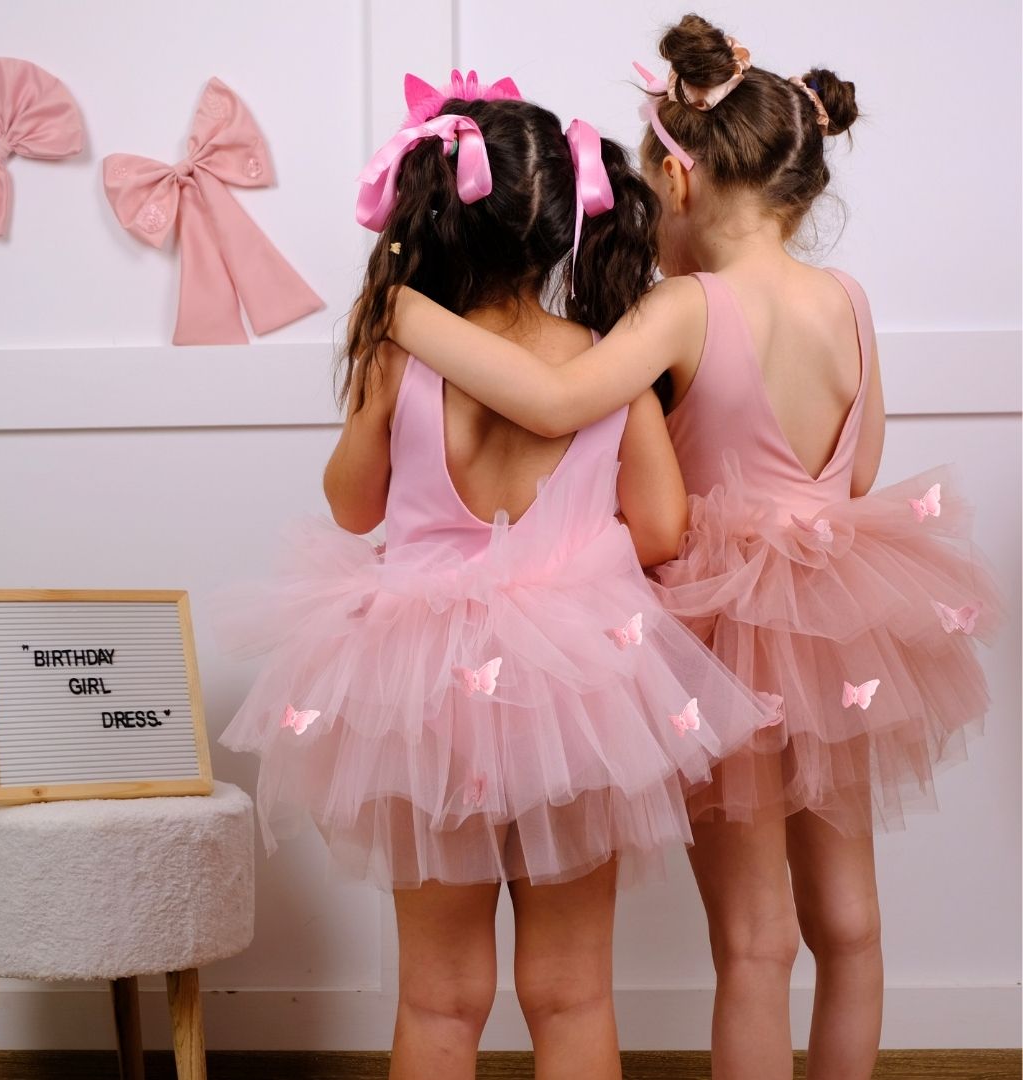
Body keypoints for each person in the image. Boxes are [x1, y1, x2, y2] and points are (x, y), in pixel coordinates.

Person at [385, 22, 1001, 1080]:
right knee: (850, 923)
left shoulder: (685, 308)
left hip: (727, 632)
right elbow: (855, 476)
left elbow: (555, 394)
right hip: (845, 624)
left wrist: (401, 313)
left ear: (676, 173)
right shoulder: (846, 299)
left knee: (754, 939)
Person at [218, 69, 776, 1080]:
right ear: (561, 224)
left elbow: (353, 507)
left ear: (434, 218)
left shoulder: (406, 357)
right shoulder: (602, 361)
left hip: (426, 687)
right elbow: (660, 527)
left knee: (439, 997)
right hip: (577, 682)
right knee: (572, 993)